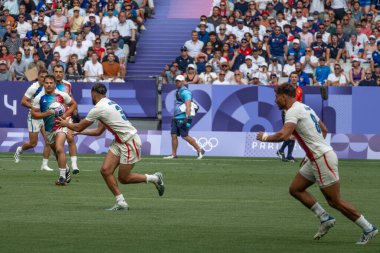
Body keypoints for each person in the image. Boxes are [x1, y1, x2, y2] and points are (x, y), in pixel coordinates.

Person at [257, 83, 378, 244]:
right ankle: (324, 218)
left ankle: (368, 228)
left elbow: (283, 135)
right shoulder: (304, 107)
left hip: (322, 159)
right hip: (316, 157)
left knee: (335, 201)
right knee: (295, 189)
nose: (275, 100)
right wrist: (309, 155)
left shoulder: (293, 111)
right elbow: (324, 129)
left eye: (276, 97)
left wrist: (264, 137)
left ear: (283, 96)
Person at [57, 83, 164, 210]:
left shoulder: (98, 108)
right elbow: (98, 131)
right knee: (105, 170)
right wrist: (78, 132)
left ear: (93, 93)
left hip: (129, 142)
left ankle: (155, 178)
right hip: (119, 141)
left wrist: (66, 124)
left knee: (124, 178)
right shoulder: (108, 103)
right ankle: (121, 202)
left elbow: (79, 125)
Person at [31, 75, 77, 185]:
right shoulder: (39, 97)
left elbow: (73, 104)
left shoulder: (62, 95)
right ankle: (65, 169)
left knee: (59, 148)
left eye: (51, 83)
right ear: (44, 84)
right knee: (56, 152)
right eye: (46, 83)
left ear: (54, 84)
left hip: (61, 125)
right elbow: (33, 114)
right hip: (48, 129)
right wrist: (45, 114)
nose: (49, 85)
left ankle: (62, 178)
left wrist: (65, 115)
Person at [14, 70, 53, 171]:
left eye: (45, 77)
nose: (44, 79)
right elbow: (23, 101)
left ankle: (44, 165)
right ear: (38, 78)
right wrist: (34, 106)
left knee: (49, 141)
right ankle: (20, 149)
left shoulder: (48, 88)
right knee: (33, 143)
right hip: (34, 117)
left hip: (45, 117)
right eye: (41, 77)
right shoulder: (33, 88)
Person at [163, 75, 205, 159]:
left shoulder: (186, 92)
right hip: (176, 117)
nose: (177, 82)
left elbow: (188, 105)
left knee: (185, 136)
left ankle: (200, 150)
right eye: (176, 81)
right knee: (173, 135)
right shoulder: (178, 91)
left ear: (183, 82)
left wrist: (187, 117)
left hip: (183, 117)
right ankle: (174, 154)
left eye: (179, 81)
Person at [53, 65, 80, 174]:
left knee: (70, 137)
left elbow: (70, 98)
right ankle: (65, 168)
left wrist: (74, 109)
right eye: (56, 71)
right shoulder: (49, 85)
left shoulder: (67, 85)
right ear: (53, 72)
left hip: (66, 115)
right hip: (52, 118)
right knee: (55, 147)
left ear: (63, 73)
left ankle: (74, 165)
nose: (58, 74)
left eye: (60, 72)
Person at [276, 72, 303, 162]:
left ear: (298, 79)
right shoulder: (286, 89)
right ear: (290, 78)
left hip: (295, 113)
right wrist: (285, 111)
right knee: (290, 133)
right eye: (292, 77)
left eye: (296, 77)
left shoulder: (300, 90)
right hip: (287, 112)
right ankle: (281, 150)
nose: (294, 78)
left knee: (294, 133)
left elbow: (299, 103)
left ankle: (289, 155)